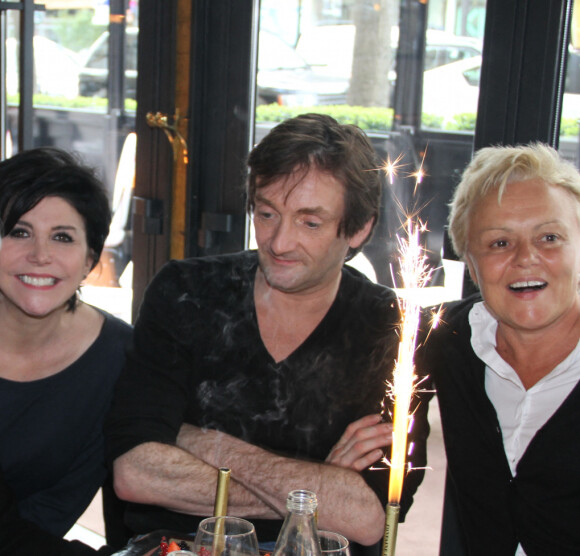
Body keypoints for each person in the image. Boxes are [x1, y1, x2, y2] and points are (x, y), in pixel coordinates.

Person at [105, 113, 430, 554]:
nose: (278, 242)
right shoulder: (186, 291)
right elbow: (135, 472)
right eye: (267, 213)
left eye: (309, 222)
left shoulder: (393, 329)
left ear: (358, 228)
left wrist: (208, 445)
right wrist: (317, 486)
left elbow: (368, 517)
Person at [424, 143, 580, 555]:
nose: (526, 258)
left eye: (549, 237)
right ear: (471, 265)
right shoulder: (447, 341)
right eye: (498, 243)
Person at [0, 148, 132, 556]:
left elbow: (56, 507)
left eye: (62, 237)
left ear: (91, 258)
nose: (41, 255)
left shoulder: (118, 355)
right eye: (19, 232)